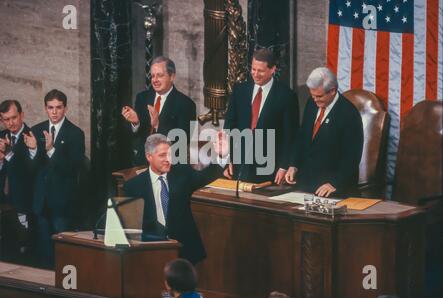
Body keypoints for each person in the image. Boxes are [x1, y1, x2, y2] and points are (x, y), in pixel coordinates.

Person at [123, 133, 228, 265]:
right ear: (149, 156)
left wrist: (221, 157)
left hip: (183, 251)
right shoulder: (133, 186)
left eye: (170, 155)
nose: (168, 159)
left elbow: (205, 176)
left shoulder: (182, 173)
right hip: (149, 252)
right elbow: (131, 228)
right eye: (162, 155)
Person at [223, 48, 299, 184]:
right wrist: (227, 159)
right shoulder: (240, 91)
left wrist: (284, 166)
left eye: (261, 71)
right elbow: (229, 126)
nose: (255, 74)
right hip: (240, 165)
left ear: (272, 69)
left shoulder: (287, 96)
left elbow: (291, 137)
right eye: (253, 69)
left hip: (270, 167)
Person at [28, 89, 85, 268]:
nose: (54, 112)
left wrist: (51, 150)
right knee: (44, 252)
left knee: (63, 253)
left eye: (58, 108)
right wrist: (33, 150)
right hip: (41, 202)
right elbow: (32, 169)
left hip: (63, 204)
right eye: (50, 107)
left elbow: (73, 168)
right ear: (45, 108)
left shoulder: (75, 133)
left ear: (65, 109)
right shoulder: (36, 130)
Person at [285, 67, 363, 197]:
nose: (315, 100)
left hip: (332, 187)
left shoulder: (349, 113)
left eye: (319, 96)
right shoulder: (312, 103)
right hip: (305, 184)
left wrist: (334, 183)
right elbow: (302, 137)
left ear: (332, 91)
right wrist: (293, 165)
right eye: (313, 95)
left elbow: (352, 157)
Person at [122, 56, 197, 166]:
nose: (155, 80)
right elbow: (135, 138)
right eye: (152, 76)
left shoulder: (186, 104)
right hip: (142, 164)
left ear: (172, 76)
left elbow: (181, 143)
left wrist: (158, 125)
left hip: (171, 166)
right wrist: (136, 122)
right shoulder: (142, 98)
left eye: (160, 75)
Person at [0, 100, 35, 260]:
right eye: (6, 119)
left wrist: (8, 154)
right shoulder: (1, 136)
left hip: (23, 201)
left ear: (22, 115)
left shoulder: (33, 136)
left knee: (22, 248)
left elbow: (29, 171)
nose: (10, 123)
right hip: (3, 200)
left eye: (13, 118)